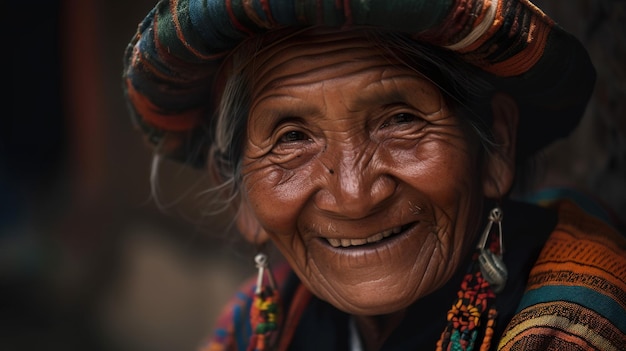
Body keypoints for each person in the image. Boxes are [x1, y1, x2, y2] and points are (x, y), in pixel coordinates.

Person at [122, 0, 626, 350]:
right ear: (240, 197)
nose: (354, 196)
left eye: (400, 120)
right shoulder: (265, 322)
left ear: (496, 146)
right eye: (293, 138)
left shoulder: (572, 320)